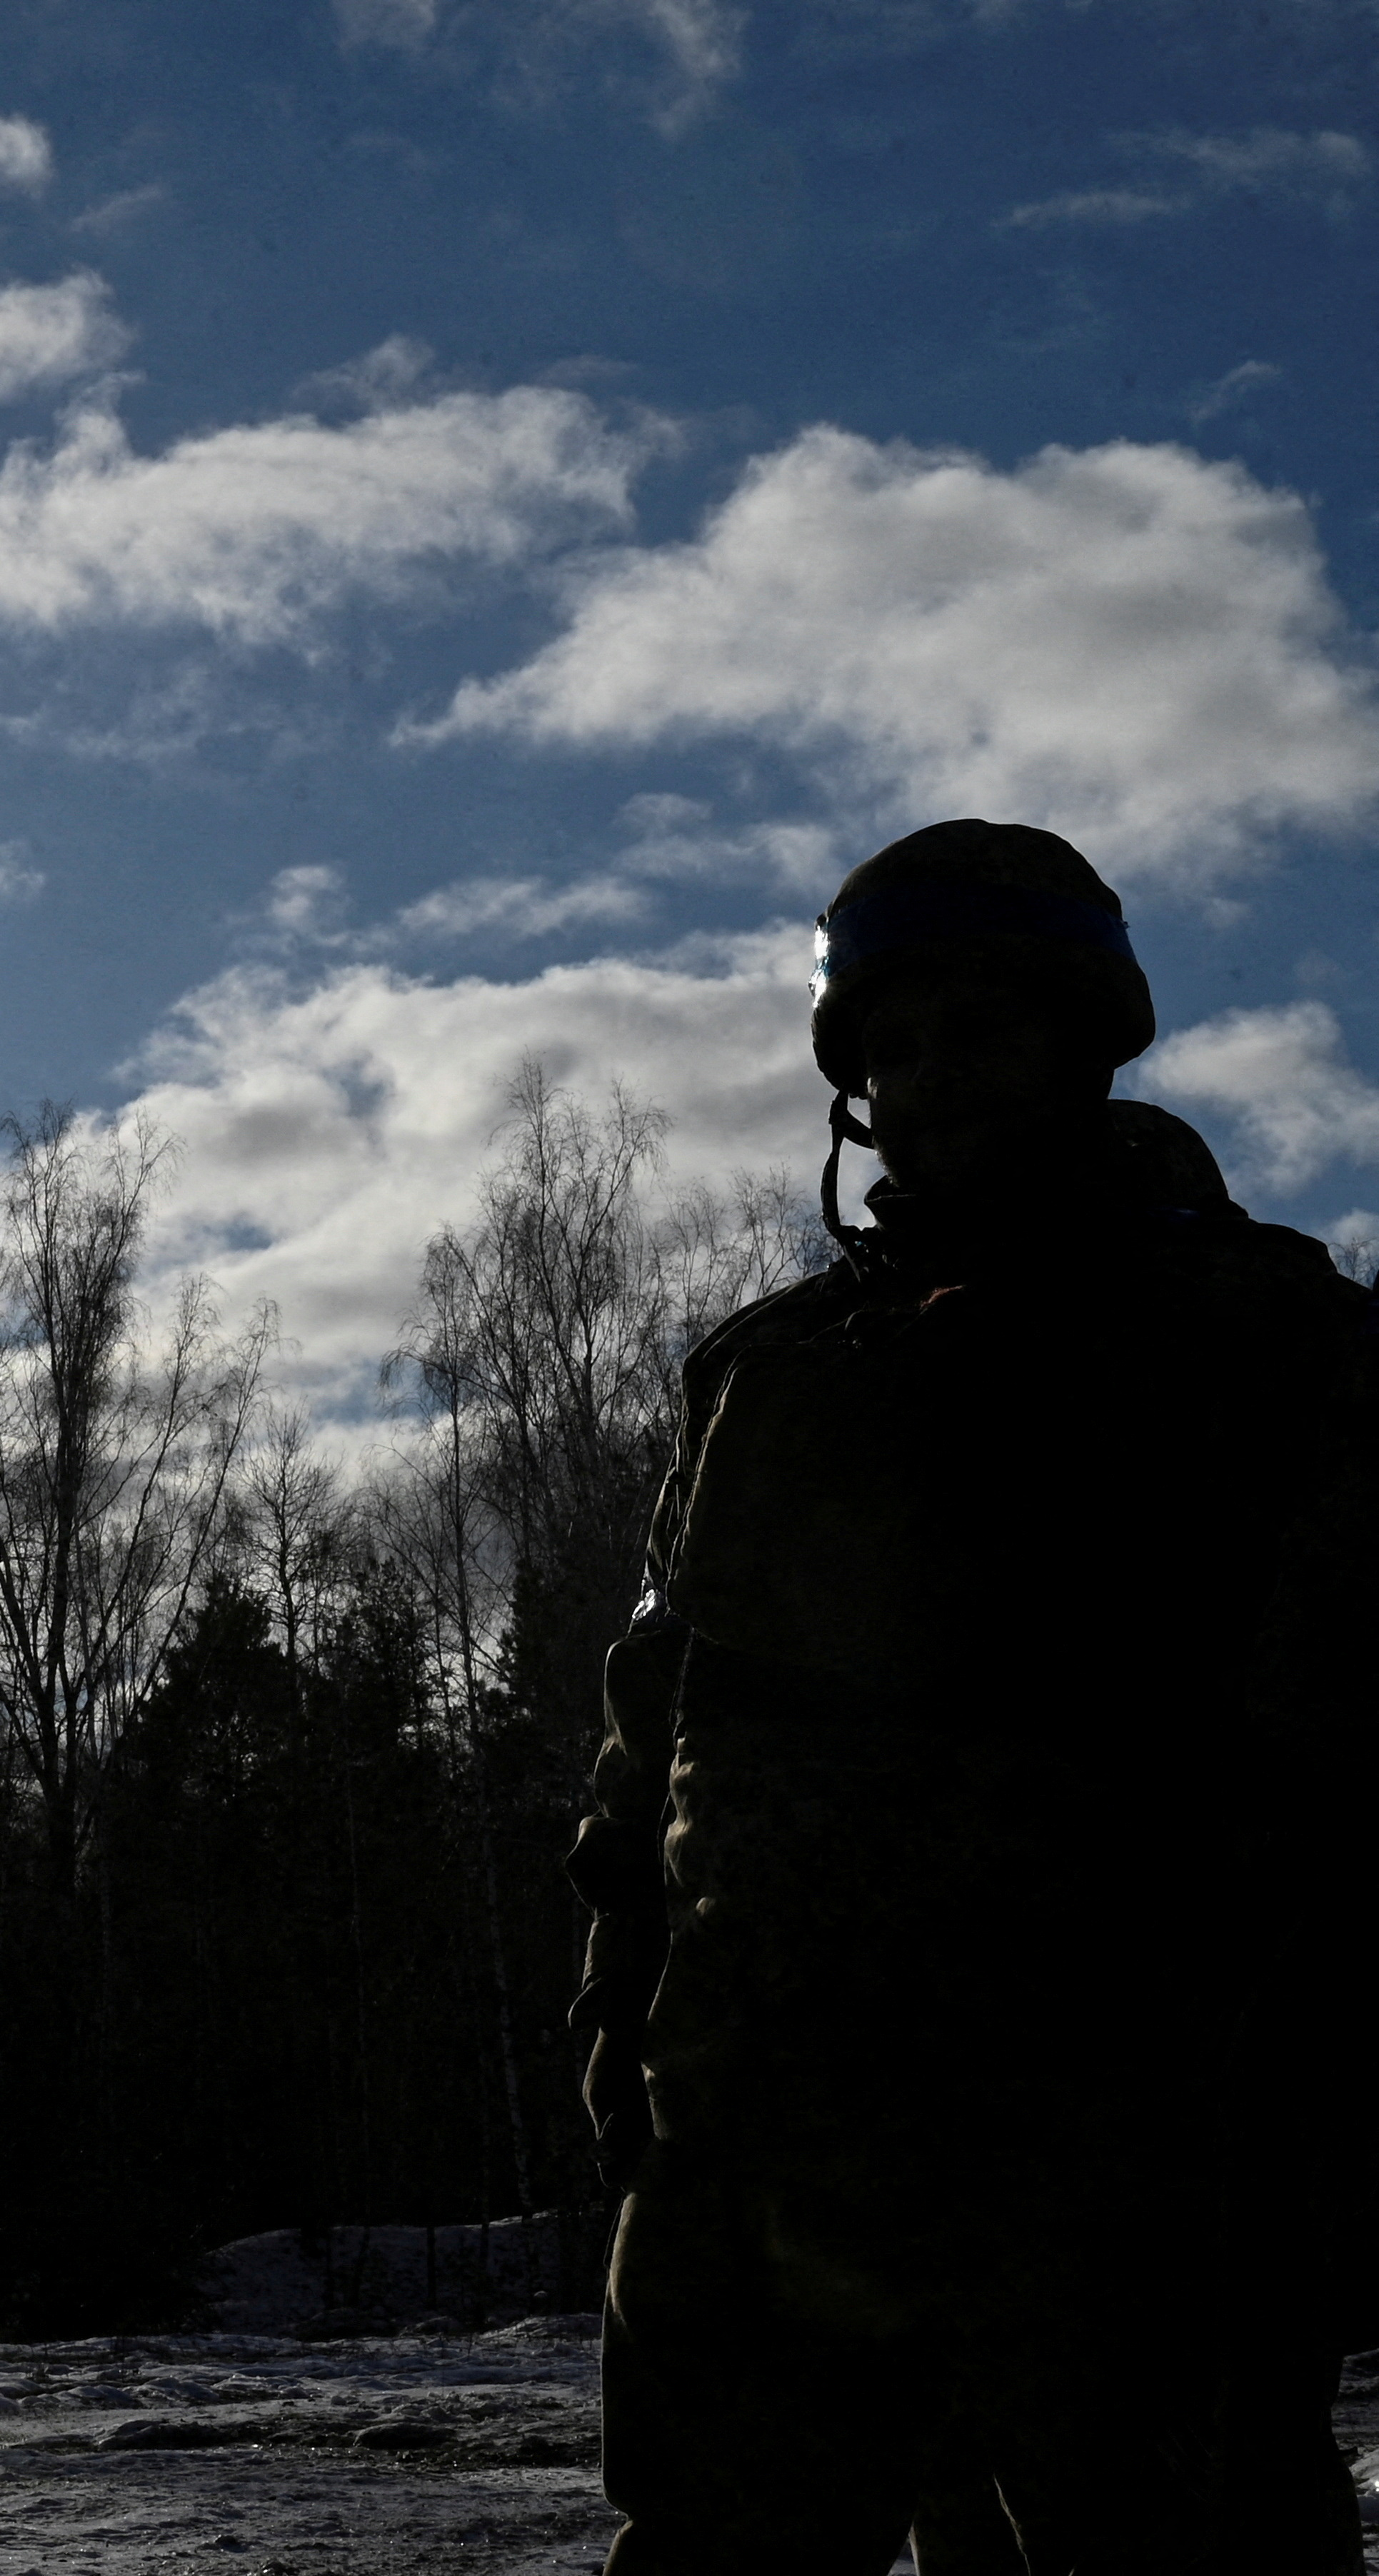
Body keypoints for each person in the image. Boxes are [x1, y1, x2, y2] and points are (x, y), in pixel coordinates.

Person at [564, 819, 1378, 2572]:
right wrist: (622, 2035)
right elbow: (652, 1735)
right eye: (894, 1042)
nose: (935, 1076)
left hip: (1138, 2173)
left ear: (1084, 1038)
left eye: (983, 1026)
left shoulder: (1269, 1341)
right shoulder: (760, 1378)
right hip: (757, 2168)